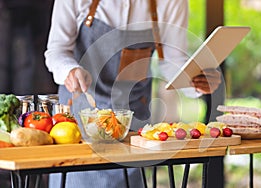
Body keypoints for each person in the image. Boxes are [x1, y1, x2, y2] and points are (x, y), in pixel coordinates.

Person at [44, 0, 221, 187]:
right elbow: (57, 51)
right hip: (80, 121)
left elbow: (170, 61)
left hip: (133, 126)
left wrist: (194, 82)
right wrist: (70, 70)